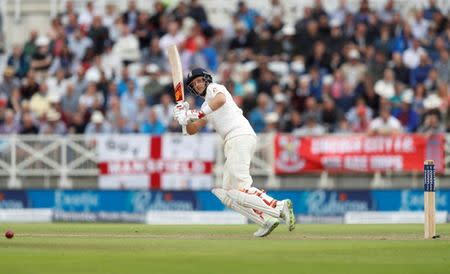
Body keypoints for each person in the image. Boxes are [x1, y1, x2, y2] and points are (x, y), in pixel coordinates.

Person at [173, 68, 295, 237]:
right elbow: (193, 129)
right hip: (233, 140)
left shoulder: (215, 89)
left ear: (207, 80)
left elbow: (221, 100)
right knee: (227, 193)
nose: (198, 85)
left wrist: (194, 113)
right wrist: (183, 118)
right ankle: (265, 220)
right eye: (194, 84)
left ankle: (279, 206)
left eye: (200, 80)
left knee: (242, 187)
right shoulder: (205, 105)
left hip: (239, 135)